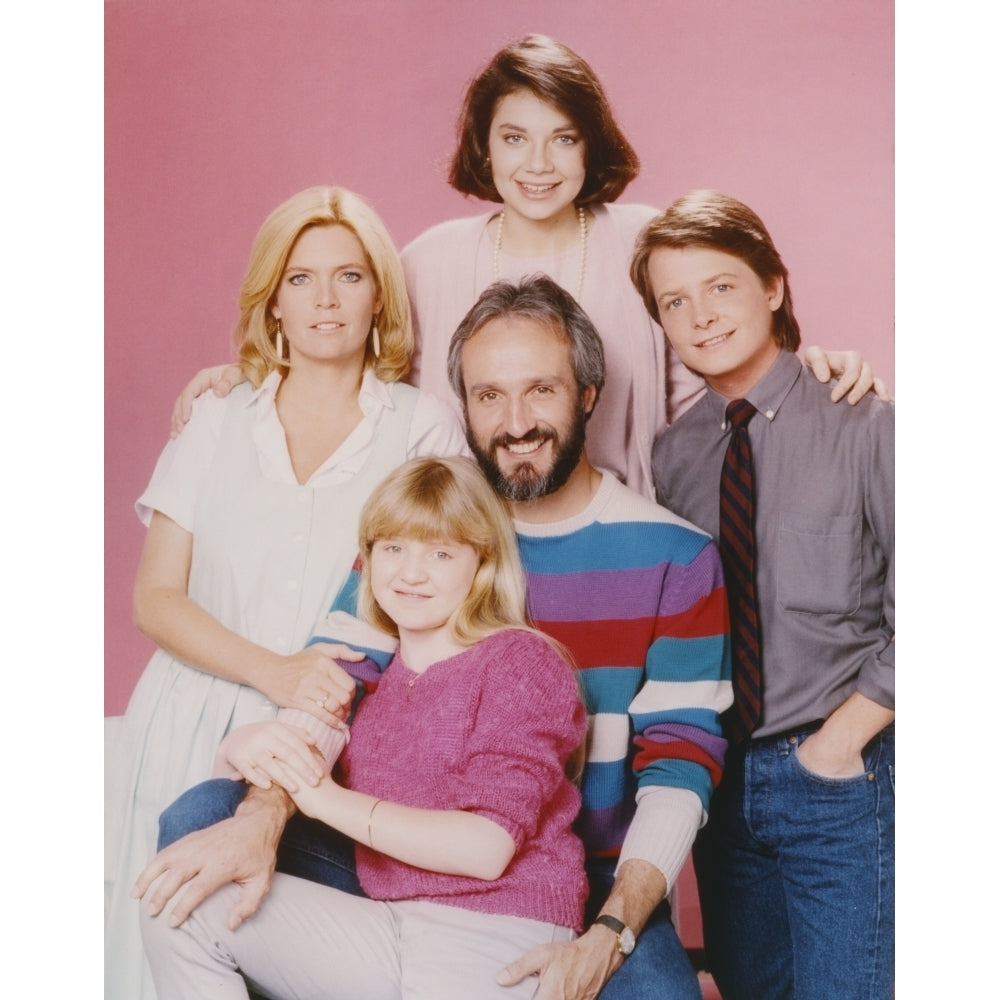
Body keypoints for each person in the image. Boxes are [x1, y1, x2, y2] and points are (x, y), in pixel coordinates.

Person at [135, 274, 731, 1000]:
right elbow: (336, 681)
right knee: (204, 823)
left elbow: (679, 770)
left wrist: (612, 930)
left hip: (578, 877)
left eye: (541, 389)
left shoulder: (675, 554)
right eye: (488, 396)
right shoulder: (422, 534)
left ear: (588, 393)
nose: (516, 421)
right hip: (385, 852)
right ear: (466, 409)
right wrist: (264, 816)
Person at [167, 34, 886, 498]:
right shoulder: (427, 261)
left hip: (629, 551)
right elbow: (356, 385)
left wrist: (816, 372)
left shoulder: (645, 242)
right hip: (470, 562)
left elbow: (727, 356)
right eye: (514, 138)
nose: (537, 166)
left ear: (590, 146)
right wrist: (254, 376)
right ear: (484, 147)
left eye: (562, 139)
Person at [105, 185, 467, 1000]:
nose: (325, 300)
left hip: (343, 739)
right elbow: (154, 599)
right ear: (272, 301)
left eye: (348, 276)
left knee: (300, 961)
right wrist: (274, 671)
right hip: (187, 724)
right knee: (164, 952)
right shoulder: (216, 418)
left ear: (380, 295)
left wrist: (305, 696)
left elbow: (440, 600)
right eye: (300, 279)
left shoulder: (423, 429)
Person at [139, 455, 588, 1000]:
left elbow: (486, 848)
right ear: (369, 558)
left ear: (482, 563)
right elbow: (241, 794)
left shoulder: (521, 661)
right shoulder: (380, 680)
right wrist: (242, 746)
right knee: (180, 903)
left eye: (441, 552)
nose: (411, 572)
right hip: (393, 929)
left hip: (498, 936)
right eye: (393, 547)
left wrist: (320, 795)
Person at [630, 190, 894, 999]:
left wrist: (840, 744)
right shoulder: (673, 459)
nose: (701, 316)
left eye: (720, 287)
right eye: (675, 301)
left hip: (838, 783)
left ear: (773, 286)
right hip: (720, 789)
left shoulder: (862, 421)